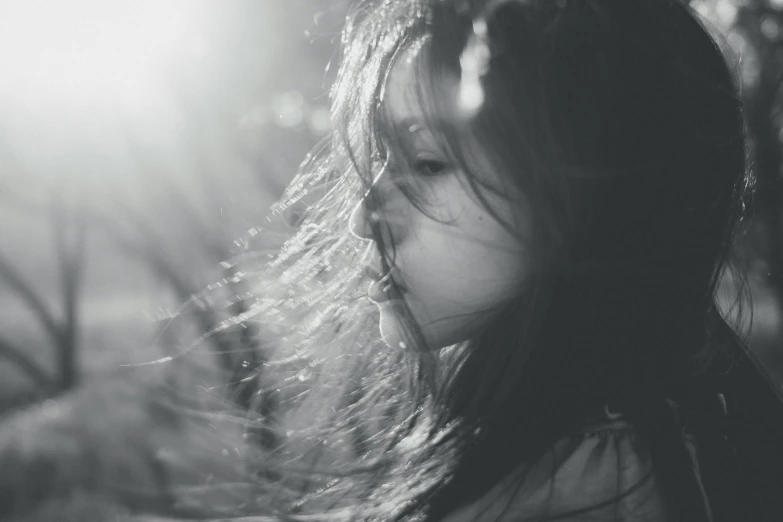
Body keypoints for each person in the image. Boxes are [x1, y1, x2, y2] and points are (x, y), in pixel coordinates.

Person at [17, 0, 778, 521]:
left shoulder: (587, 482)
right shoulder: (649, 424)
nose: (362, 215)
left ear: (592, 187)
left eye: (424, 162)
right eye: (377, 163)